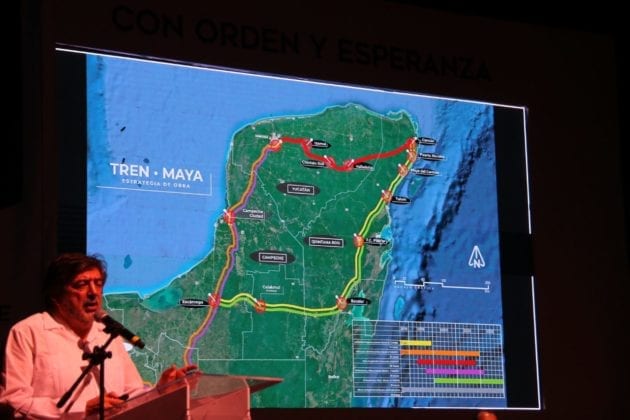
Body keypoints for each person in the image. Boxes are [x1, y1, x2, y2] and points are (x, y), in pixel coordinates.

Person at [0, 253, 196, 419]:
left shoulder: (107, 334)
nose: (93, 292)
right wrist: (82, 410)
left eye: (98, 283)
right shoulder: (28, 332)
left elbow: (130, 394)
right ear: (56, 295)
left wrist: (161, 390)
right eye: (82, 284)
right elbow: (13, 401)